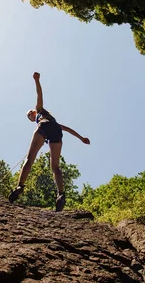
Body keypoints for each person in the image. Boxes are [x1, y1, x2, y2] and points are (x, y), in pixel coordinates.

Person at [9, 72, 90, 212]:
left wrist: (37, 80)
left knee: (30, 159)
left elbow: (39, 96)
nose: (30, 113)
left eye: (30, 112)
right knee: (55, 167)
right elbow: (67, 129)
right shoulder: (52, 119)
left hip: (44, 128)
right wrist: (81, 138)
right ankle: (61, 194)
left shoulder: (40, 111)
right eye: (29, 115)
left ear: (34, 112)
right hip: (56, 133)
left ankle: (20, 186)